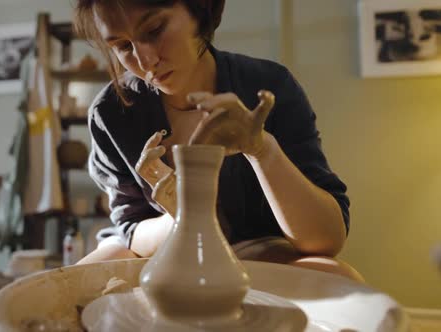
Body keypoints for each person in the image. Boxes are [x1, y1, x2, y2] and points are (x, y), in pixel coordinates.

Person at [75, 0, 362, 281]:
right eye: (123, 46)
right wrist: (181, 214)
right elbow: (131, 229)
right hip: (160, 247)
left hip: (257, 248)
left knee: (337, 279)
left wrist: (261, 149)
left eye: (154, 30)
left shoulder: (268, 86)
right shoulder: (111, 111)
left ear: (199, 8)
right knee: (77, 285)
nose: (145, 60)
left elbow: (325, 240)